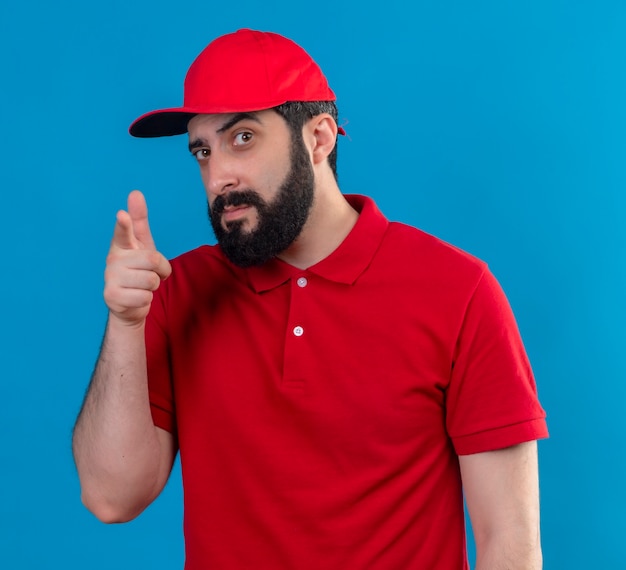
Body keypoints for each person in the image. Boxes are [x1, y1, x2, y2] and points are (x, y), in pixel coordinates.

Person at [72, 28, 548, 569]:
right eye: (202, 151)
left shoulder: (458, 290)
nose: (218, 174)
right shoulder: (176, 291)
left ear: (319, 138)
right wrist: (124, 323)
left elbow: (510, 541)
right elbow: (111, 498)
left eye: (243, 138)